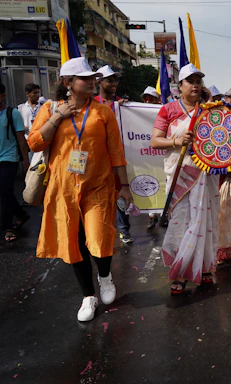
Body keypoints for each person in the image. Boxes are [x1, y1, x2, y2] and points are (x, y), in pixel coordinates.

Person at [27, 57, 133, 321]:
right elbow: (35, 143)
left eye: (92, 78)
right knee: (73, 243)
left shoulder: (103, 112)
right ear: (67, 83)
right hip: (62, 189)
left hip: (98, 187)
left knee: (99, 237)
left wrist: (125, 186)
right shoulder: (51, 108)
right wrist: (57, 118)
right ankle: (88, 296)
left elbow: (116, 152)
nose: (92, 82)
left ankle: (105, 276)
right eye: (85, 78)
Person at [151, 63, 219, 294]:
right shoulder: (168, 110)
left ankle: (205, 267)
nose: (196, 85)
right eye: (190, 81)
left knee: (205, 220)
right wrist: (176, 142)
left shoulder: (210, 111)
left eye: (199, 81)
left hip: (205, 175)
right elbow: (155, 140)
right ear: (179, 86)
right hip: (180, 175)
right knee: (181, 222)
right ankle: (180, 272)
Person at [95, 65, 133, 243]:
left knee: (121, 193)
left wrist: (128, 109)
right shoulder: (91, 103)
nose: (114, 83)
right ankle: (100, 230)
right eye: (109, 80)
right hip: (97, 160)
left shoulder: (122, 104)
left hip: (117, 158)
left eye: (115, 80)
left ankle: (124, 230)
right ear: (99, 82)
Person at [0, 82, 30, 242]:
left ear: (3, 95)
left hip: (9, 158)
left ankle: (7, 227)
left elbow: (21, 139)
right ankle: (21, 214)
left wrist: (26, 162)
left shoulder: (12, 113)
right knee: (4, 193)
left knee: (5, 193)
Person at [139, 86, 162, 229]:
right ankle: (152, 215)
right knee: (149, 184)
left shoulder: (164, 110)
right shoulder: (137, 110)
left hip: (161, 155)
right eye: (145, 98)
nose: (147, 101)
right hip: (146, 156)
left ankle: (165, 214)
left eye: (150, 98)